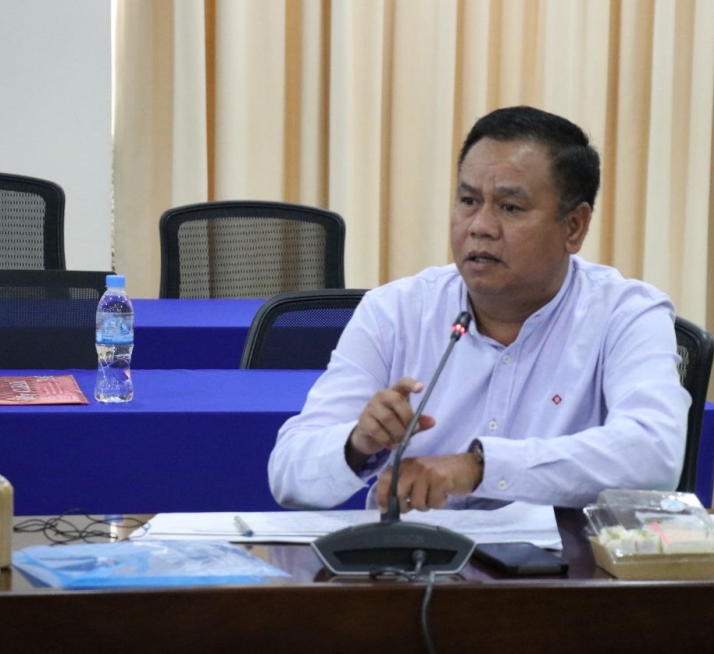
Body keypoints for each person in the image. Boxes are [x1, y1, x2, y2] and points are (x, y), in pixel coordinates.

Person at [268, 105, 690, 513]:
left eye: (510, 207)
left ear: (574, 226)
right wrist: (357, 443)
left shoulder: (625, 314)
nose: (480, 226)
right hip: (414, 558)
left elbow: (654, 455)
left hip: (563, 560)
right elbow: (288, 474)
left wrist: (479, 467)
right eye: (469, 201)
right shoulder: (395, 312)